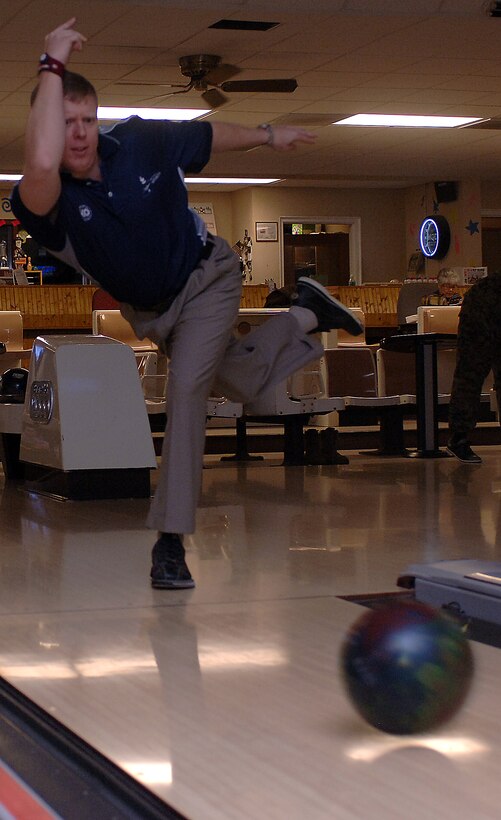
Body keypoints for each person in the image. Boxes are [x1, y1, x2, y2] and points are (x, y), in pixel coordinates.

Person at [11, 18, 363, 590]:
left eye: (86, 120)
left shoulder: (140, 141)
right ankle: (307, 314)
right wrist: (50, 62)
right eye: (64, 122)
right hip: (155, 313)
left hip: (209, 277)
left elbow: (209, 137)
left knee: (188, 393)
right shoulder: (43, 201)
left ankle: (170, 543)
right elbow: (45, 163)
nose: (78, 133)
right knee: (242, 384)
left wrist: (269, 135)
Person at [447, 271, 501, 464]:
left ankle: (458, 438)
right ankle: (458, 437)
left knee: (469, 376)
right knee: (470, 375)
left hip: (483, 301)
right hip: (484, 307)